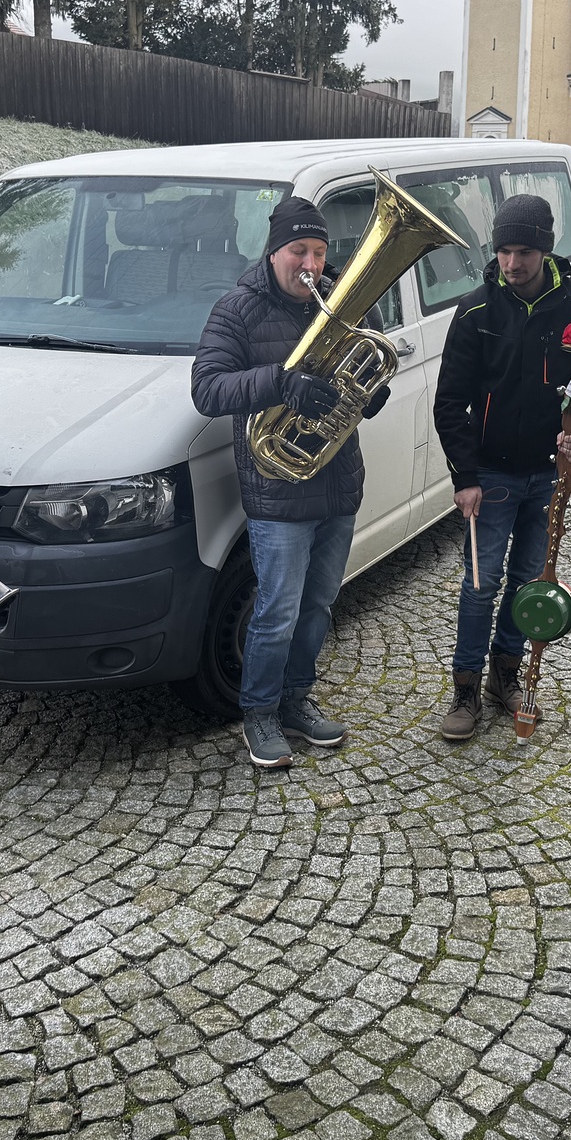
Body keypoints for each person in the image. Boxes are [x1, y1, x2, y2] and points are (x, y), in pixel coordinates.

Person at [191, 196, 388, 769]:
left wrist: (370, 396)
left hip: (337, 483)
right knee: (276, 611)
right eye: (298, 250)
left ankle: (297, 700)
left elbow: (369, 366)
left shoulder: (343, 301)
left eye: (319, 252)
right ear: (274, 251)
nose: (310, 264)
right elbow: (207, 388)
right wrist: (281, 383)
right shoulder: (237, 310)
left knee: (319, 604)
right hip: (277, 489)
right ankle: (259, 712)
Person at [432, 194, 571, 740]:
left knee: (529, 583)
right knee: (479, 585)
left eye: (525, 253)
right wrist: (464, 477)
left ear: (546, 250)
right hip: (491, 474)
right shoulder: (476, 310)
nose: (513, 264)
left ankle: (504, 677)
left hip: (549, 474)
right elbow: (449, 402)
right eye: (504, 251)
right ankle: (465, 688)